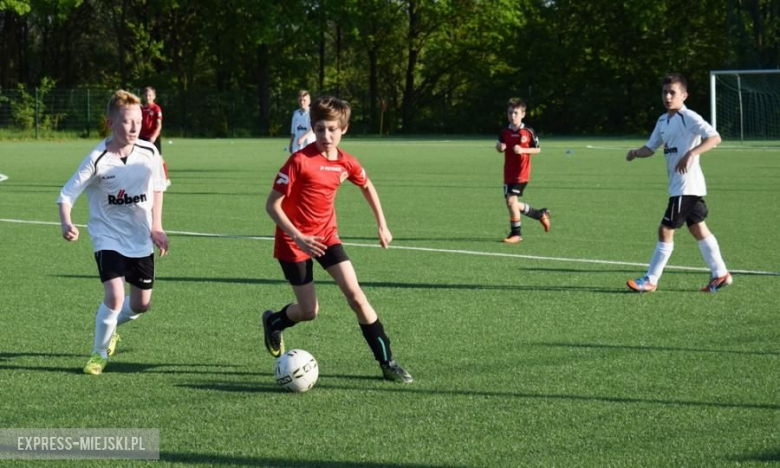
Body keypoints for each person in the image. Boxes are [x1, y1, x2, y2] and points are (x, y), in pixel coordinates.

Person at [262, 96, 413, 383]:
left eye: (332, 129)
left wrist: (382, 224)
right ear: (312, 128)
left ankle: (387, 362)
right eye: (320, 129)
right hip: (293, 242)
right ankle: (274, 321)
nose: (325, 136)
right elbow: (272, 205)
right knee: (309, 311)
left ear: (344, 129)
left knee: (356, 297)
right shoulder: (299, 161)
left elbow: (366, 185)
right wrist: (298, 236)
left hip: (327, 236)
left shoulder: (347, 162)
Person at [57, 89, 169, 375]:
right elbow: (67, 195)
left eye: (138, 121)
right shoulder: (97, 158)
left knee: (141, 304)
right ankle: (98, 353)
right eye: (127, 122)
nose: (134, 127)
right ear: (110, 123)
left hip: (140, 237)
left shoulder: (149, 152)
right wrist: (66, 222)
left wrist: (157, 226)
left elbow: (157, 187)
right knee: (115, 297)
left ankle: (111, 327)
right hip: (106, 237)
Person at [626, 73, 731, 293]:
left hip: (687, 185)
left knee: (665, 229)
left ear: (684, 95)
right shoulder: (663, 120)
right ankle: (720, 273)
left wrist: (692, 153)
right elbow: (651, 147)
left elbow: (715, 137)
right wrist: (636, 153)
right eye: (665, 92)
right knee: (698, 229)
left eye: (672, 92)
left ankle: (651, 279)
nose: (668, 96)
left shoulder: (688, 116)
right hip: (679, 186)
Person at [495, 98, 550, 243]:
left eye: (516, 113)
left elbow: (538, 149)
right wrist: (499, 148)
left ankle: (516, 234)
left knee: (511, 200)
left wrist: (523, 150)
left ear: (523, 114)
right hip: (508, 173)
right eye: (510, 113)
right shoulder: (504, 132)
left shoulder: (528, 131)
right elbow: (499, 145)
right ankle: (539, 214)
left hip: (522, 172)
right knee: (511, 203)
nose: (512, 115)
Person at [140, 86, 170, 186]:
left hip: (153, 137)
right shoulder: (141, 109)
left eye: (150, 95)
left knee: (159, 158)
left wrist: (154, 136)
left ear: (154, 96)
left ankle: (166, 178)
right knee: (142, 158)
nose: (148, 97)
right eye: (146, 95)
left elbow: (159, 125)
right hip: (142, 137)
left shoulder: (156, 108)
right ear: (144, 96)